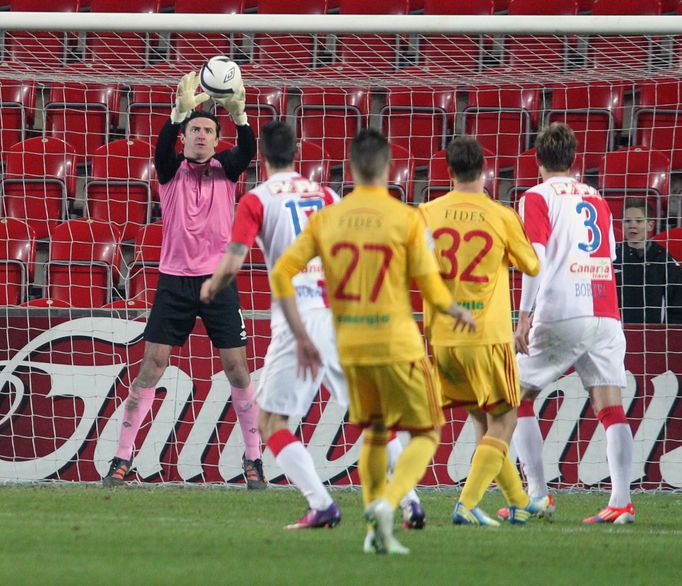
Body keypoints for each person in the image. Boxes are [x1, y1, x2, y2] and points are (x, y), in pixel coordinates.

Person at [200, 121, 426, 530]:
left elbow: (233, 261)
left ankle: (321, 503)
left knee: (271, 422)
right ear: (296, 154)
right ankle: (411, 501)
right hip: (343, 314)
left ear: (263, 158)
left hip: (299, 316)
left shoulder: (256, 199)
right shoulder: (327, 195)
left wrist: (211, 286)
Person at [270, 129, 476, 554]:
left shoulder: (328, 218)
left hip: (349, 342)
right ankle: (392, 499)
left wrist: (301, 330)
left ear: (351, 168)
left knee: (374, 432)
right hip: (397, 342)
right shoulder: (407, 218)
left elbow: (281, 272)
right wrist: (454, 309)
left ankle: (373, 532)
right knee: (426, 434)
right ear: (387, 168)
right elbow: (430, 285)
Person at [102, 72, 266, 489]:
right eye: (194, 129)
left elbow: (247, 149)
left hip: (218, 283)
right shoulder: (169, 171)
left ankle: (253, 461)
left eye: (208, 131)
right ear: (185, 135)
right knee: (151, 366)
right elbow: (160, 148)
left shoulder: (226, 170)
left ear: (215, 140)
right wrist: (177, 113)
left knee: (237, 369)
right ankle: (122, 459)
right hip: (174, 282)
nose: (200, 135)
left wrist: (240, 115)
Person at [503, 122, 634, 524]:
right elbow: (608, 257)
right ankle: (621, 502)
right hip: (605, 310)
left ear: (537, 160)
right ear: (574, 159)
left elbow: (535, 258)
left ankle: (538, 495)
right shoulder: (597, 198)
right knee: (611, 407)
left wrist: (524, 315)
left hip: (562, 310)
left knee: (515, 396)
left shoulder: (536, 197)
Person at [419, 136, 543, 526]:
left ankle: (520, 500)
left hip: (441, 337)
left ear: (449, 172)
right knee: (505, 421)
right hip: (486, 336)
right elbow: (532, 265)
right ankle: (468, 502)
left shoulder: (425, 212)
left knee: (481, 420)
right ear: (485, 170)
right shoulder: (501, 215)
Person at [615, 198, 682, 324]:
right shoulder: (612, 258)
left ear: (650, 225)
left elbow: (677, 305)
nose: (632, 225)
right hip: (617, 335)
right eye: (627, 221)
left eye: (639, 221)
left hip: (654, 336)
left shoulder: (664, 261)